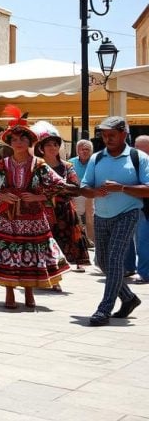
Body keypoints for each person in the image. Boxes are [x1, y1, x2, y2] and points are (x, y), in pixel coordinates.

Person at [0, 107, 70, 309]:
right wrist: (2, 195)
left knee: (30, 254)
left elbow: (59, 186)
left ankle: (29, 292)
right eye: (14, 139)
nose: (19, 142)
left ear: (30, 142)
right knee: (9, 254)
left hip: (32, 218)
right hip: (7, 217)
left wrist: (38, 196)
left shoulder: (39, 165)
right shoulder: (2, 165)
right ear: (9, 143)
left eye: (23, 138)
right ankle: (9, 293)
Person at [80, 116, 149, 326]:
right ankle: (128, 298)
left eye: (112, 135)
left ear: (124, 134)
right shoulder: (97, 158)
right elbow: (84, 187)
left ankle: (104, 308)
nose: (107, 138)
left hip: (128, 214)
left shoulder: (139, 157)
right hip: (102, 215)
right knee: (102, 261)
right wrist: (94, 192)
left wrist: (121, 188)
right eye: (104, 135)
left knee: (115, 259)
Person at [32, 121, 90, 284]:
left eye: (55, 144)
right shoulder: (35, 166)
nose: (52, 147)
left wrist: (48, 192)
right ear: (41, 148)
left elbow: (75, 189)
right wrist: (59, 188)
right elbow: (32, 189)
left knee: (61, 247)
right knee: (43, 246)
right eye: (48, 144)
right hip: (40, 213)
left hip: (64, 213)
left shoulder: (67, 166)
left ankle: (55, 279)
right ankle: (47, 278)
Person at [69, 139, 96, 250]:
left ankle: (91, 241)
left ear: (91, 151)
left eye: (87, 149)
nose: (85, 151)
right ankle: (78, 240)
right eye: (82, 149)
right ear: (77, 151)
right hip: (77, 192)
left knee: (91, 217)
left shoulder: (95, 162)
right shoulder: (71, 162)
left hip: (91, 191)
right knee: (76, 217)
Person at [130, 135, 149, 283]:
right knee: (141, 241)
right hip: (140, 208)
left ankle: (143, 272)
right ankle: (142, 271)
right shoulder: (132, 162)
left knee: (142, 241)